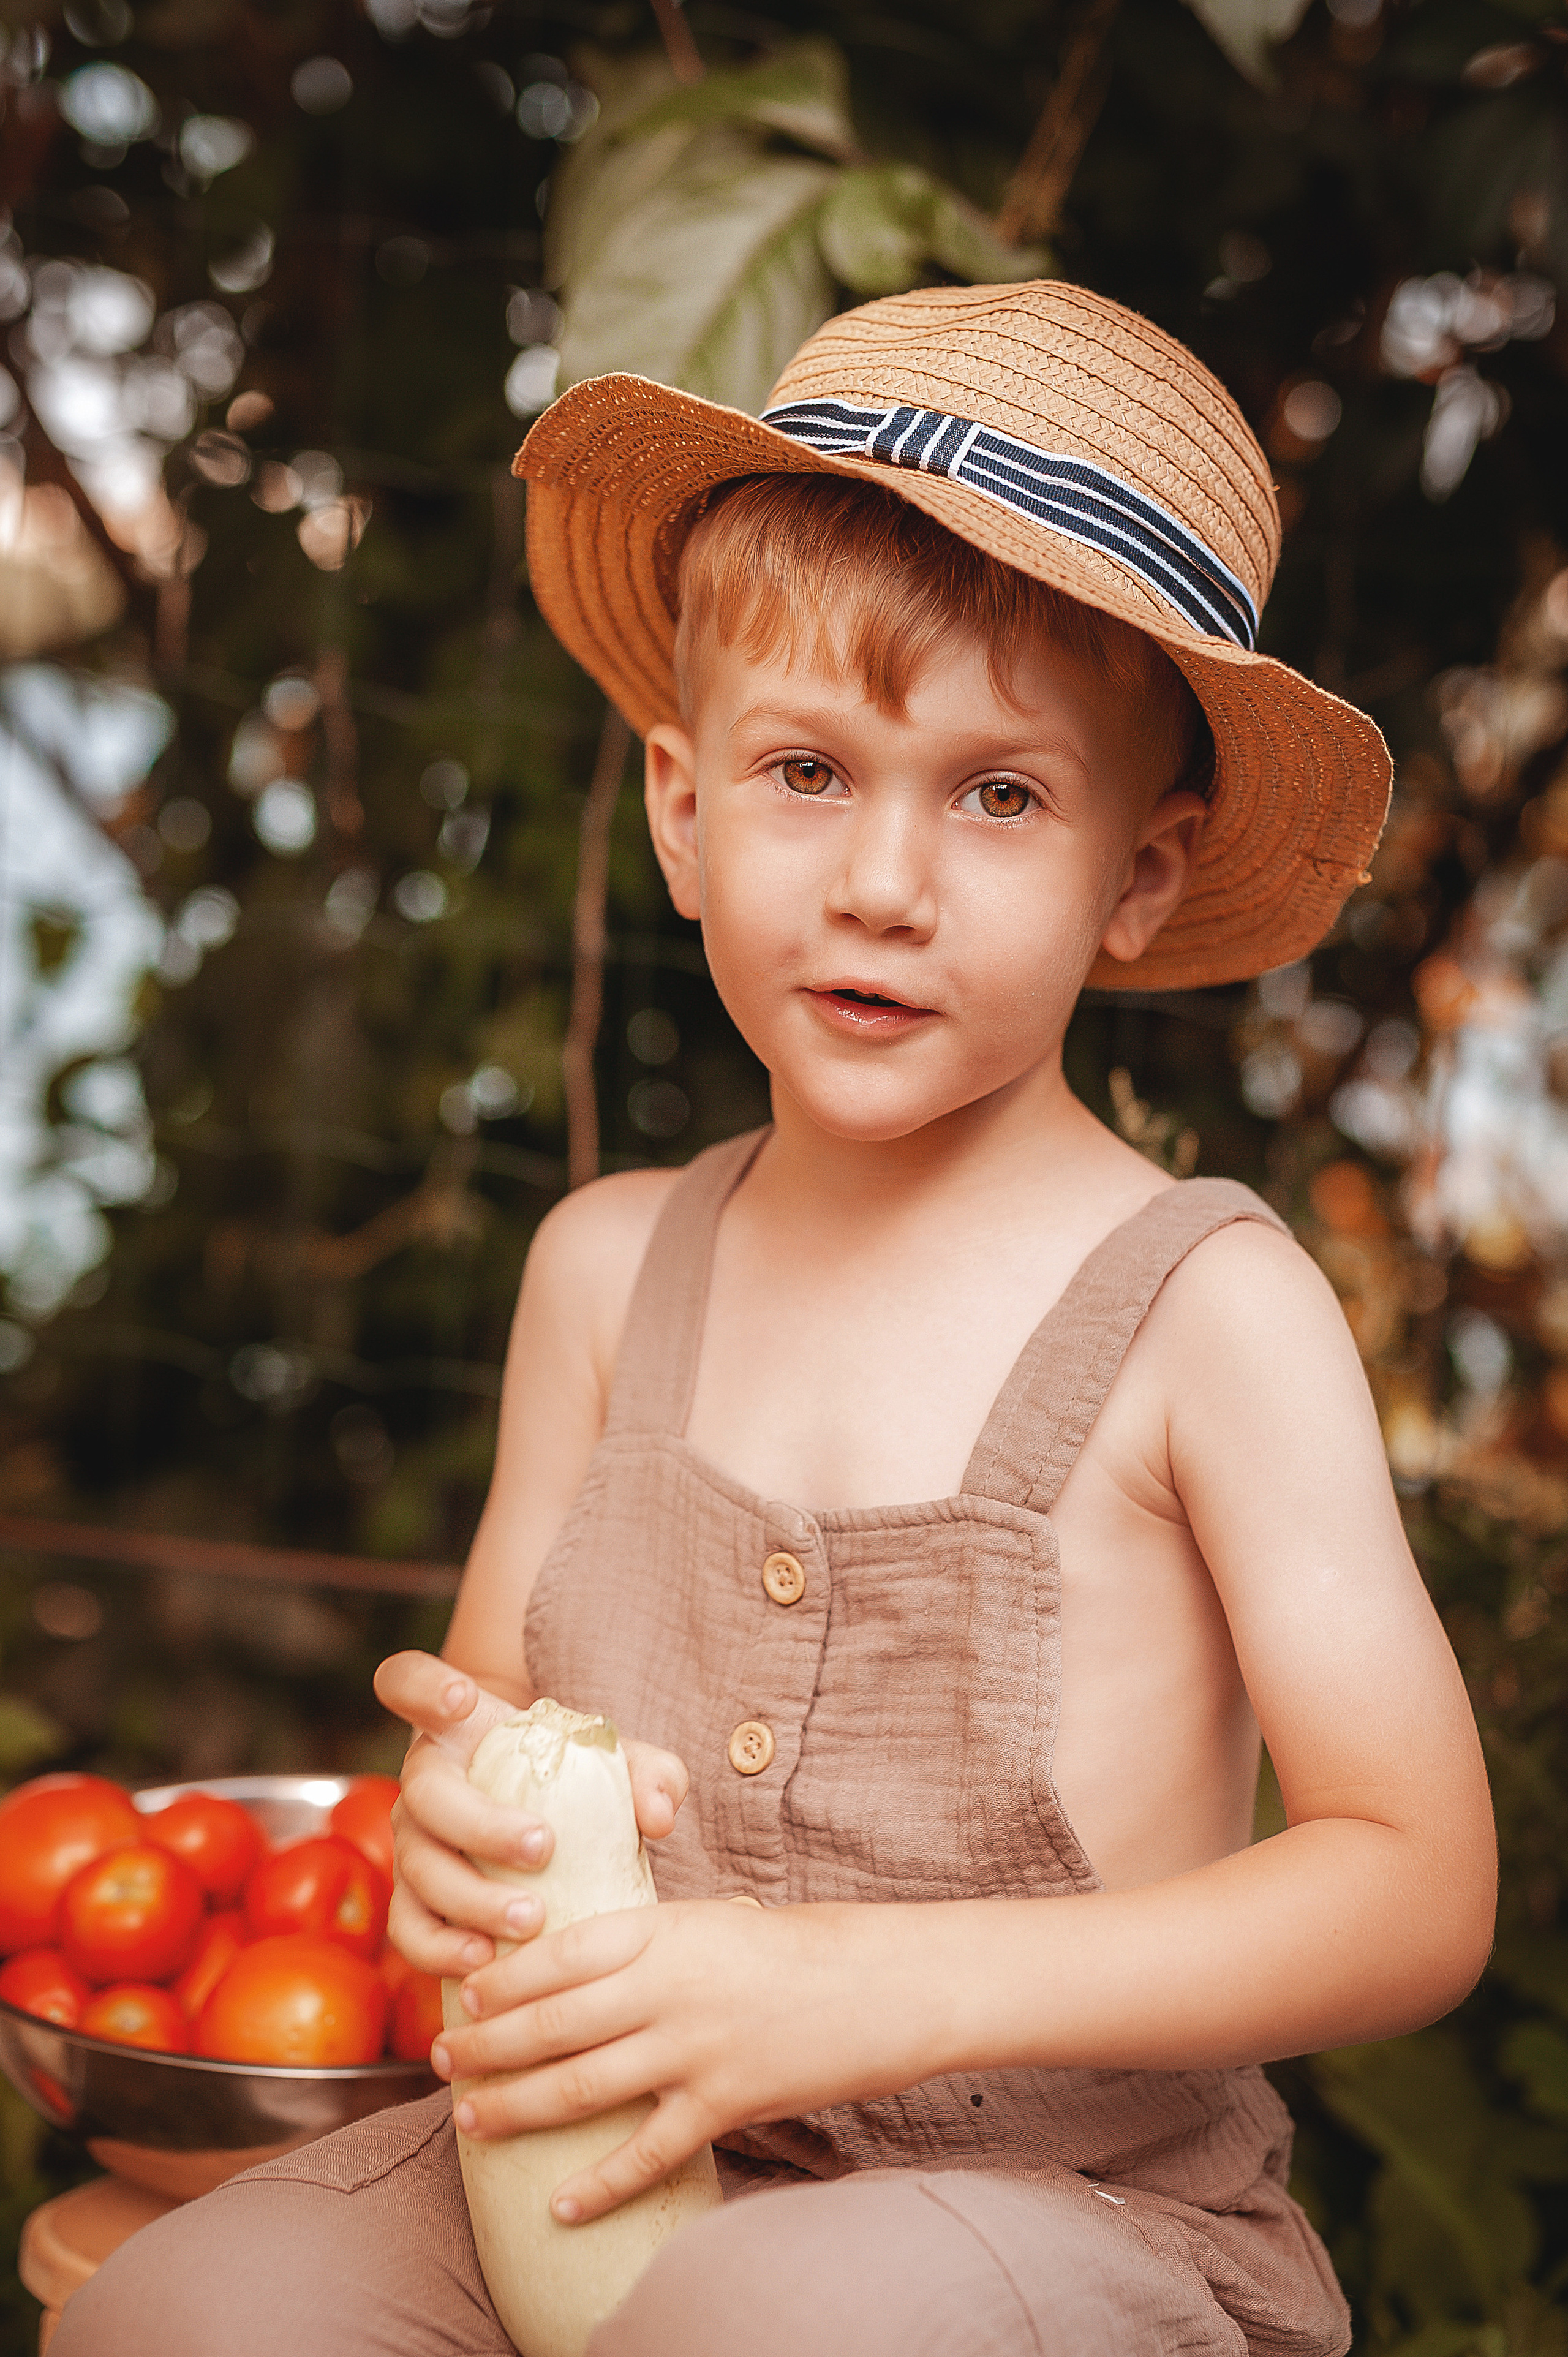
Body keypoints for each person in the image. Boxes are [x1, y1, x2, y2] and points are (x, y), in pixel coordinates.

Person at [57, 279, 1496, 2357]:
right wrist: (442, 1846)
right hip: (584, 2154)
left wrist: (852, 1989)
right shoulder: (604, 1270)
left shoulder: (1209, 1313)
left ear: (1143, 874)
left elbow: (1411, 1883)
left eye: (999, 796)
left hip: (1061, 2226)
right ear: (680, 805)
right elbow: (475, 1723)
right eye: (808, 771)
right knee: (180, 2320)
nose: (884, 880)